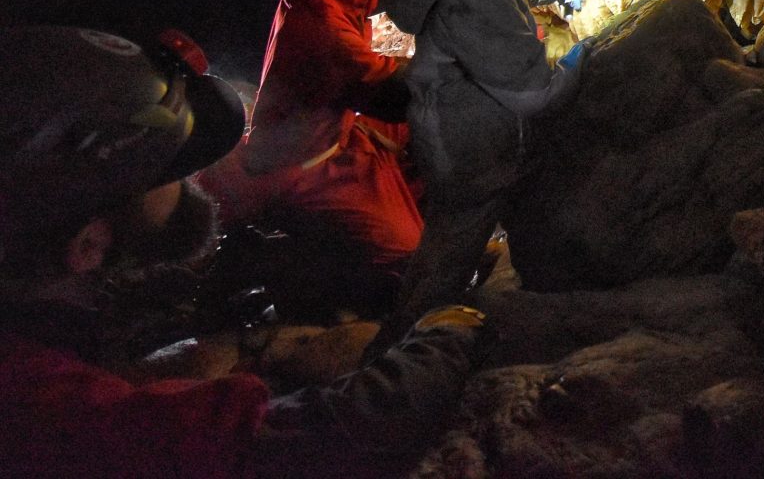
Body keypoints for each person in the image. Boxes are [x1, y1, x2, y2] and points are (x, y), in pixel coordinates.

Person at [0, 25, 486, 479]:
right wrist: (453, 327)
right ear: (88, 243)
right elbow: (330, 431)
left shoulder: (48, 327)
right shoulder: (45, 406)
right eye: (171, 168)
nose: (195, 178)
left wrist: (256, 350)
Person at [369, 0, 580, 351]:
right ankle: (401, 359)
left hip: (449, 132)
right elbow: (532, 95)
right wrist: (580, 60)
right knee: (446, 260)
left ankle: (407, 338)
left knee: (445, 247)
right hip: (474, 150)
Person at [200, 0, 423, 310]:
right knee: (406, 257)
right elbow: (394, 97)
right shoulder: (323, 31)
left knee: (429, 150)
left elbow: (382, 23)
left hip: (334, 130)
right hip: (304, 166)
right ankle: (283, 268)